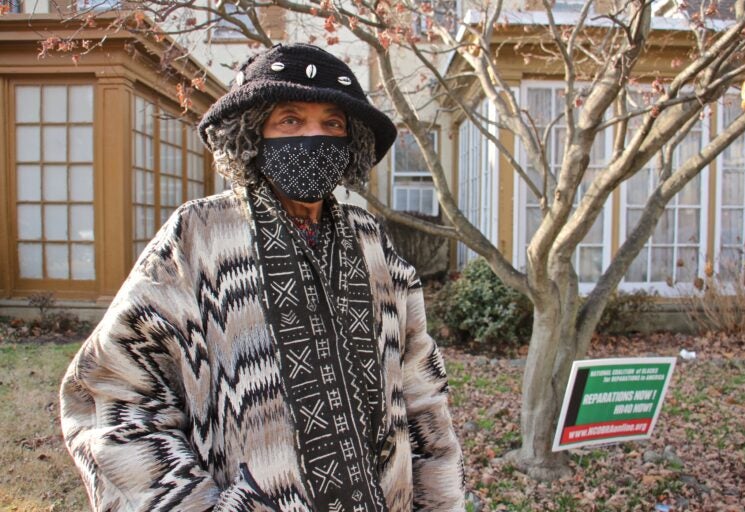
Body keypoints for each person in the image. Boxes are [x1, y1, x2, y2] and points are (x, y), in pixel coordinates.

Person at [60, 43, 464, 512]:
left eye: (332, 123)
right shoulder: (198, 240)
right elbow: (111, 392)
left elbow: (422, 393)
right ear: (252, 134)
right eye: (290, 120)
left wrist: (439, 499)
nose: (315, 137)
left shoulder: (375, 245)